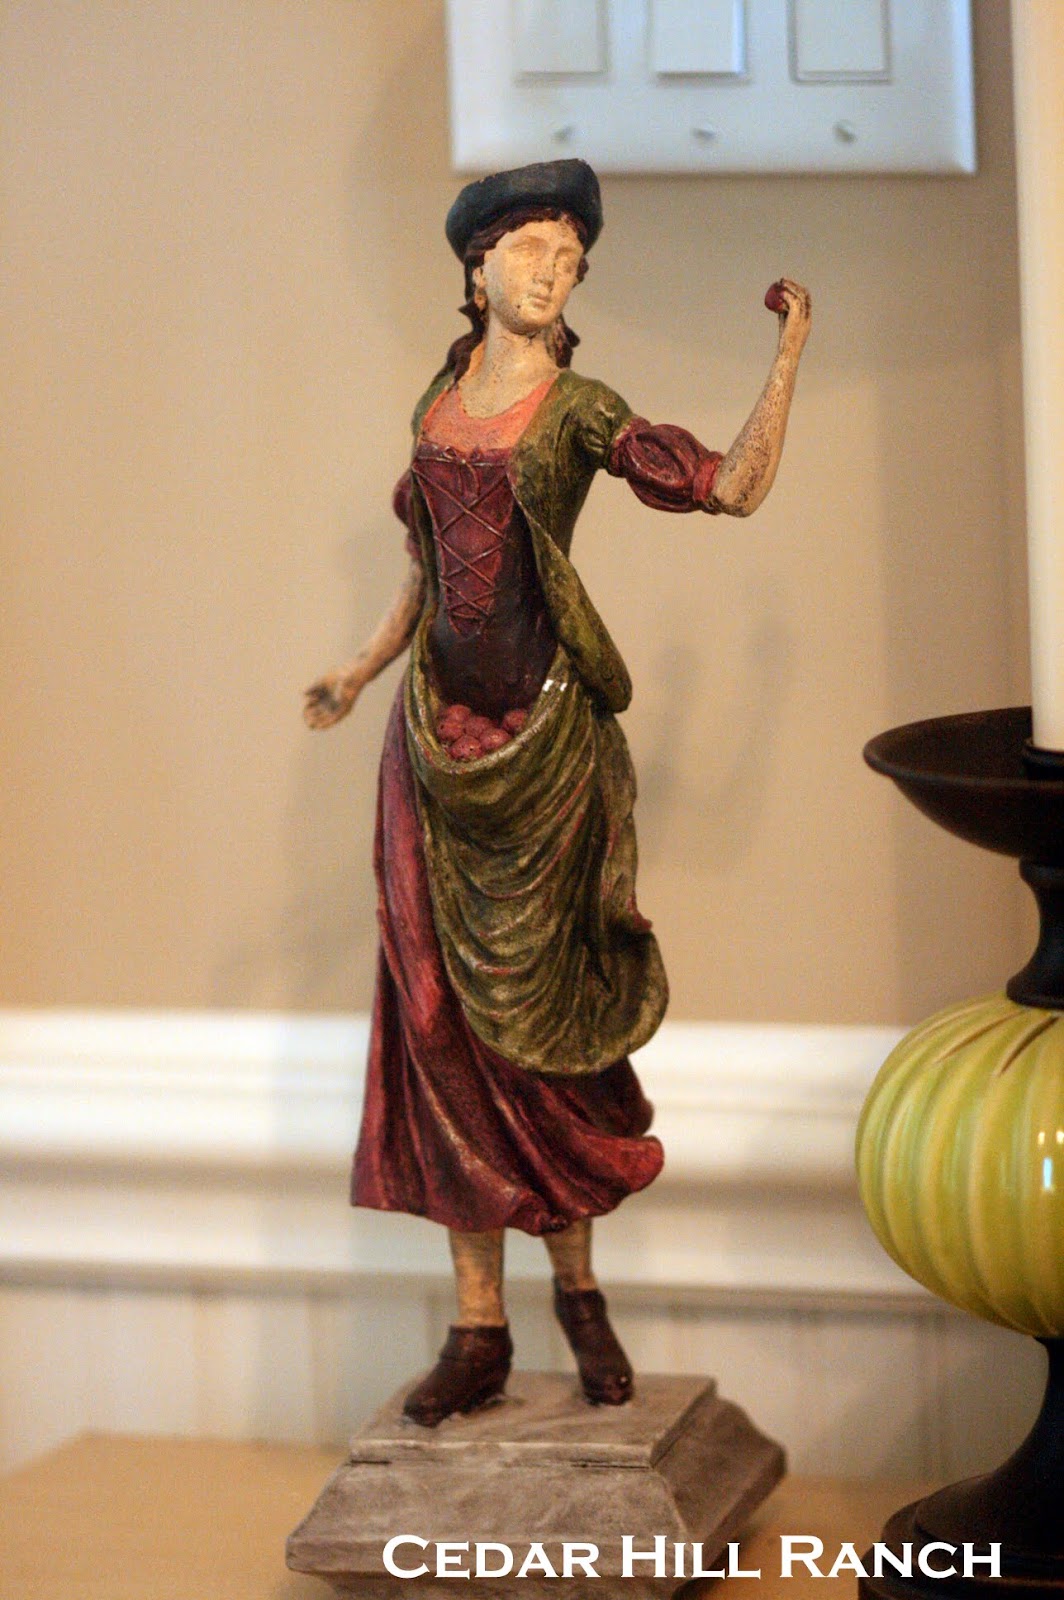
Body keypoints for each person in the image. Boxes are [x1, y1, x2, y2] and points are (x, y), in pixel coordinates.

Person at [305, 160, 811, 1427]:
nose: (553, 272)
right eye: (531, 249)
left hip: (543, 756)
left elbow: (728, 486)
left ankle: (579, 1297)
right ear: (475, 264)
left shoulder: (581, 408)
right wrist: (360, 668)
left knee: (551, 1033)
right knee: (441, 1030)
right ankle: (478, 1325)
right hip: (430, 750)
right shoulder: (436, 402)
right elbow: (426, 565)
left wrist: (787, 355)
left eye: (571, 258)